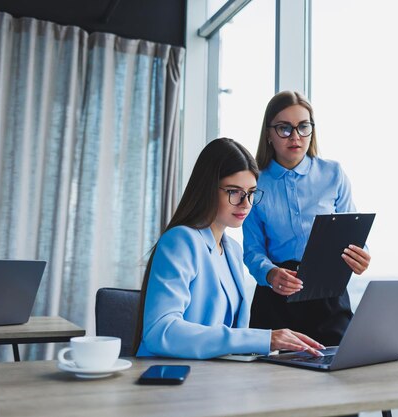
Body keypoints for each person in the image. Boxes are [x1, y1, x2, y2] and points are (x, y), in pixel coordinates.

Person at [133, 137, 324, 359]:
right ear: (207, 189)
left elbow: (233, 336)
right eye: (234, 192)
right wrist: (263, 338)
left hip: (215, 378)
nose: (246, 203)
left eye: (251, 192)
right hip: (167, 378)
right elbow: (160, 331)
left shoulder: (232, 250)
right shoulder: (181, 241)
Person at [243, 91, 371, 346]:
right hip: (276, 298)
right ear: (268, 133)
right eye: (284, 128)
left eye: (303, 126)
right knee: (275, 382)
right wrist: (269, 274)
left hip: (328, 297)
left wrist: (361, 255)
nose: (295, 136)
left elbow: (353, 233)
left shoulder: (333, 173)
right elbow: (252, 250)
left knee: (339, 376)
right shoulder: (253, 181)